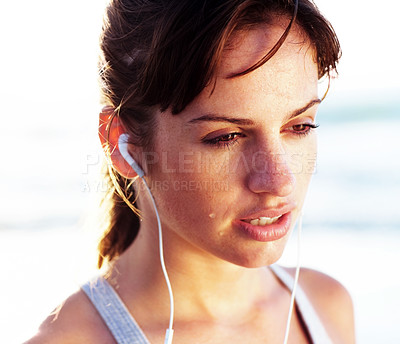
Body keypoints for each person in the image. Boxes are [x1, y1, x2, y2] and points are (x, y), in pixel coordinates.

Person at [26, 0, 355, 343]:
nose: (279, 180)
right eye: (226, 137)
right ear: (122, 144)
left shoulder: (326, 307)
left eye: (300, 127)